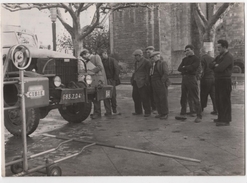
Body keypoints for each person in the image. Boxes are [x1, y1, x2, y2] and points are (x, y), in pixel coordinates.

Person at [209, 40, 234, 126]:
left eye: (219, 47)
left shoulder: (228, 56)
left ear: (224, 47)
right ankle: (220, 118)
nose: (218, 49)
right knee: (218, 100)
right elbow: (210, 65)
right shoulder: (220, 56)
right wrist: (216, 65)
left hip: (225, 81)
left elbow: (220, 68)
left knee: (224, 100)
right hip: (218, 80)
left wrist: (216, 66)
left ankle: (225, 120)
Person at [177, 44, 202, 123]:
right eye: (185, 51)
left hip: (191, 78)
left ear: (192, 50)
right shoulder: (184, 59)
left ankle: (199, 115)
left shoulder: (196, 59)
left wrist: (185, 67)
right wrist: (187, 68)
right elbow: (179, 68)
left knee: (195, 97)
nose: (186, 52)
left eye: (188, 50)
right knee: (183, 97)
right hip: (184, 79)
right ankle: (183, 112)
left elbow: (193, 68)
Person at [79, 49, 107, 119]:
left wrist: (91, 71)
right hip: (92, 80)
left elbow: (100, 67)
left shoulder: (96, 57)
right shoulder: (87, 61)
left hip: (98, 80)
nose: (84, 58)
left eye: (84, 57)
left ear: (86, 54)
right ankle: (96, 112)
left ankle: (97, 113)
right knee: (94, 97)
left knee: (97, 97)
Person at [130, 49, 151, 117]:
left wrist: (146, 82)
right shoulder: (136, 62)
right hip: (136, 82)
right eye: (135, 56)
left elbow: (148, 73)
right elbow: (136, 71)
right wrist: (133, 79)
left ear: (140, 55)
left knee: (145, 97)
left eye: (136, 55)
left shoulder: (146, 62)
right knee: (135, 97)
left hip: (143, 82)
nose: (135, 57)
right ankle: (138, 111)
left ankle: (147, 112)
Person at [150, 51, 170, 119]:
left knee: (163, 98)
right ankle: (160, 113)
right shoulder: (153, 64)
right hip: (154, 83)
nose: (152, 58)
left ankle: (165, 113)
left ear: (157, 56)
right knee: (156, 98)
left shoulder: (162, 63)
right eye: (151, 57)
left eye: (153, 57)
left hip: (160, 82)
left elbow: (166, 73)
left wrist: (162, 81)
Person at [100, 50, 120, 116]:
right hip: (105, 81)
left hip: (111, 80)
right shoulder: (102, 62)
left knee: (113, 95)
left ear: (106, 54)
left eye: (103, 54)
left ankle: (114, 109)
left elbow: (117, 69)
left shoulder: (112, 60)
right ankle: (108, 111)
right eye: (102, 55)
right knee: (106, 95)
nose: (103, 56)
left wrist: (114, 79)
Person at [200, 47, 217, 115]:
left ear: (201, 52)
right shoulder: (213, 58)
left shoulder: (202, 59)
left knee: (203, 94)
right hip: (213, 78)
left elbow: (202, 69)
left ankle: (201, 108)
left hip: (206, 78)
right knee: (213, 95)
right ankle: (216, 109)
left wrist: (200, 76)